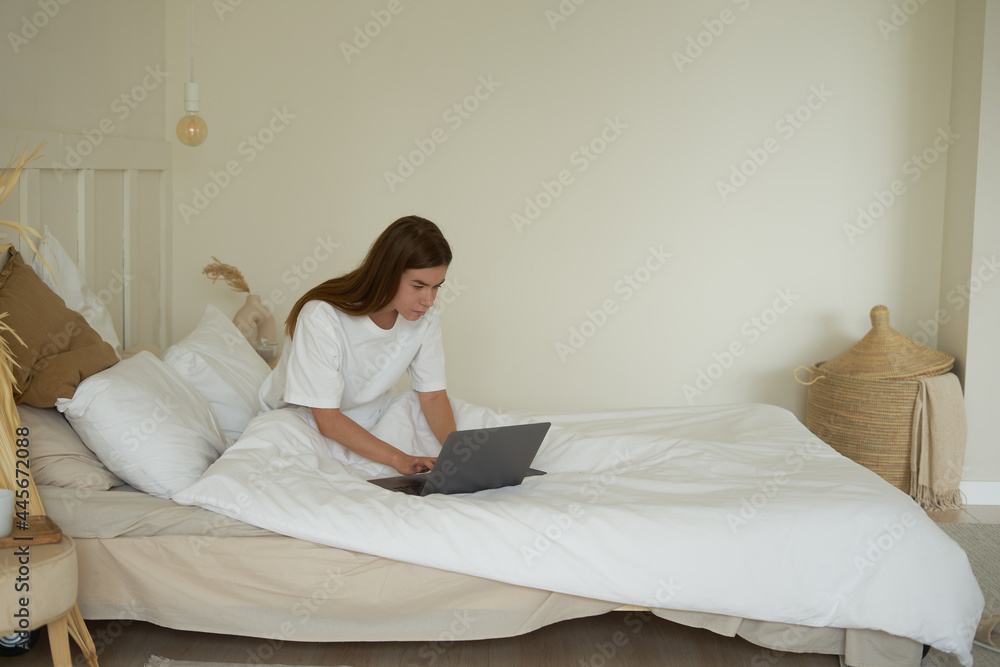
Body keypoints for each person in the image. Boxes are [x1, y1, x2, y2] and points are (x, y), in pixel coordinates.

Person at [259, 215, 456, 475]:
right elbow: (327, 420)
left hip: (370, 411)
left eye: (436, 287)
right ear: (387, 273)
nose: (428, 300)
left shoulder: (425, 315)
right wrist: (400, 459)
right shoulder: (321, 316)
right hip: (305, 417)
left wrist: (461, 457)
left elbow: (431, 395)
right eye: (418, 286)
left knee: (463, 422)